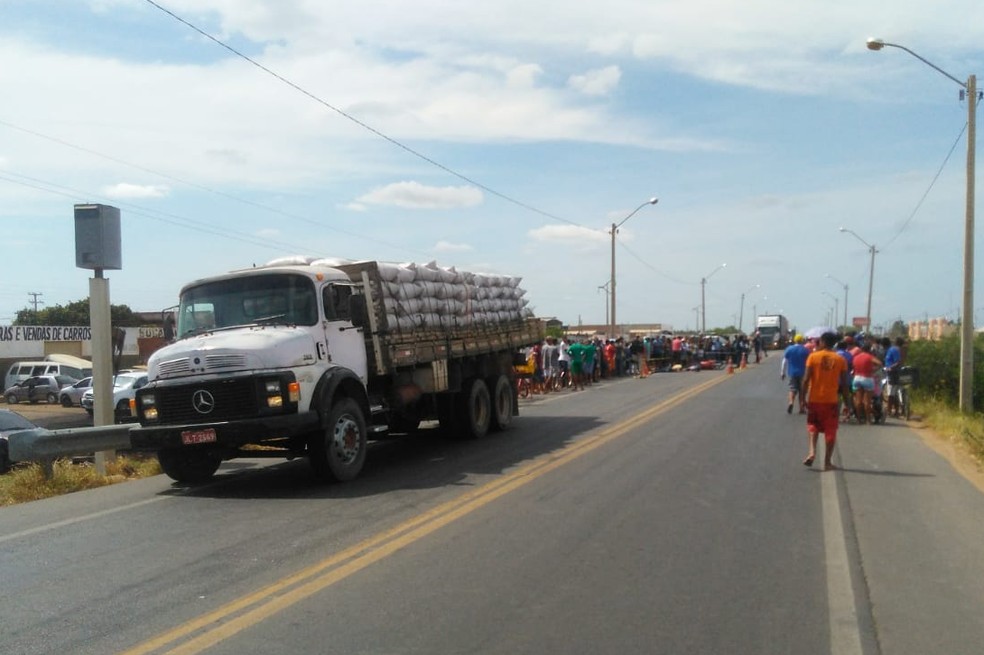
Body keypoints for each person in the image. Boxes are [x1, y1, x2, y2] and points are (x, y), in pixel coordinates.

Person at [801, 331, 850, 471]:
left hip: (815, 399)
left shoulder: (812, 357)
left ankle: (811, 452)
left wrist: (803, 398)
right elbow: (845, 384)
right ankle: (827, 462)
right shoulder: (841, 360)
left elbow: (806, 379)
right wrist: (847, 403)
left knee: (813, 426)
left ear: (822, 342)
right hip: (831, 401)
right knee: (830, 430)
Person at [851, 343, 883, 424]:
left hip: (857, 378)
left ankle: (859, 420)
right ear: (869, 350)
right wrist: (873, 370)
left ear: (861, 349)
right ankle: (868, 420)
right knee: (867, 402)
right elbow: (880, 363)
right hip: (867, 378)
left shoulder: (856, 357)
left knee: (858, 401)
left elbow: (853, 366)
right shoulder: (870, 357)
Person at [781, 334, 810, 414]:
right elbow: (809, 363)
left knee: (792, 389)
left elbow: (784, 361)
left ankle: (791, 402)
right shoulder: (805, 350)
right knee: (802, 391)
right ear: (802, 341)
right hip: (803, 373)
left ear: (795, 340)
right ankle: (801, 408)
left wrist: (782, 373)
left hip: (792, 372)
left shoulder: (789, 349)